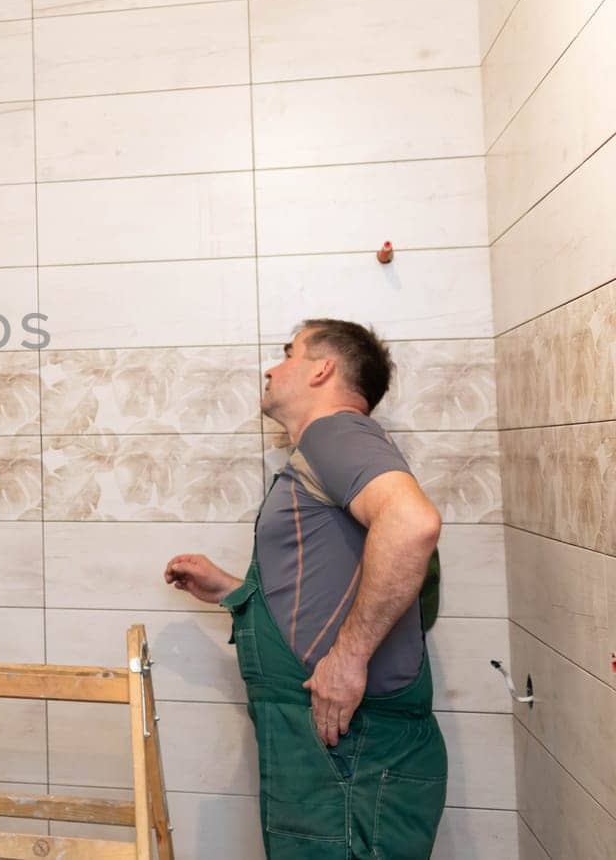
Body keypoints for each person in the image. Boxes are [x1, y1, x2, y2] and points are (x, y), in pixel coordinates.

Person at [164, 319, 446, 858]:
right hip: (335, 745)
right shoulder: (331, 448)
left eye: (288, 353)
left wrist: (348, 659)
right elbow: (330, 577)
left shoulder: (335, 432)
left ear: (323, 368)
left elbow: (412, 524)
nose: (271, 368)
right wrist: (230, 588)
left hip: (350, 748)